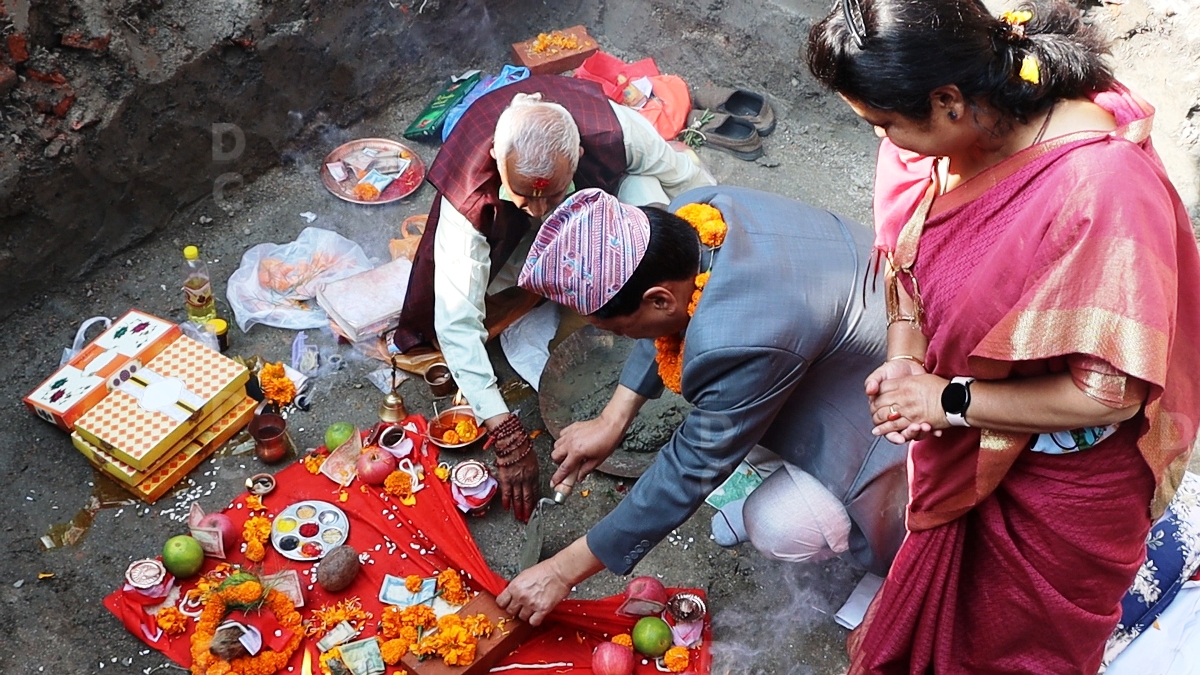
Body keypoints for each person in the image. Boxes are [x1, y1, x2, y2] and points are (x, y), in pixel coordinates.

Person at [806, 0, 1200, 671]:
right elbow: (909, 266)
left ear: (949, 100)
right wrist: (906, 361)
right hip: (967, 440)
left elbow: (1110, 392)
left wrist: (947, 402)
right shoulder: (939, 143)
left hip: (1062, 481)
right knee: (937, 609)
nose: (882, 141)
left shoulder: (1101, 191)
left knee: (1012, 644)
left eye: (883, 124)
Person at [495, 186, 909, 626]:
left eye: (617, 329)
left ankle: (893, 559)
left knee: (773, 524)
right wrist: (613, 418)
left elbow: (688, 470)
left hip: (891, 419)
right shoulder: (692, 217)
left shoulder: (737, 337)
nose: (620, 339)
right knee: (727, 411)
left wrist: (560, 571)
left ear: (659, 299)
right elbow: (666, 328)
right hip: (840, 343)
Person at [393, 75, 715, 523]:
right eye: (524, 197)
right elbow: (455, 319)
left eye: (554, 195)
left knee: (653, 196)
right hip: (511, 247)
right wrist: (501, 426)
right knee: (479, 298)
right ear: (496, 165)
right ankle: (554, 283)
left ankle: (629, 292)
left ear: (580, 157)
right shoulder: (472, 191)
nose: (542, 212)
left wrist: (704, 266)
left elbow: (691, 181)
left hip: (600, 218)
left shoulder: (614, 132)